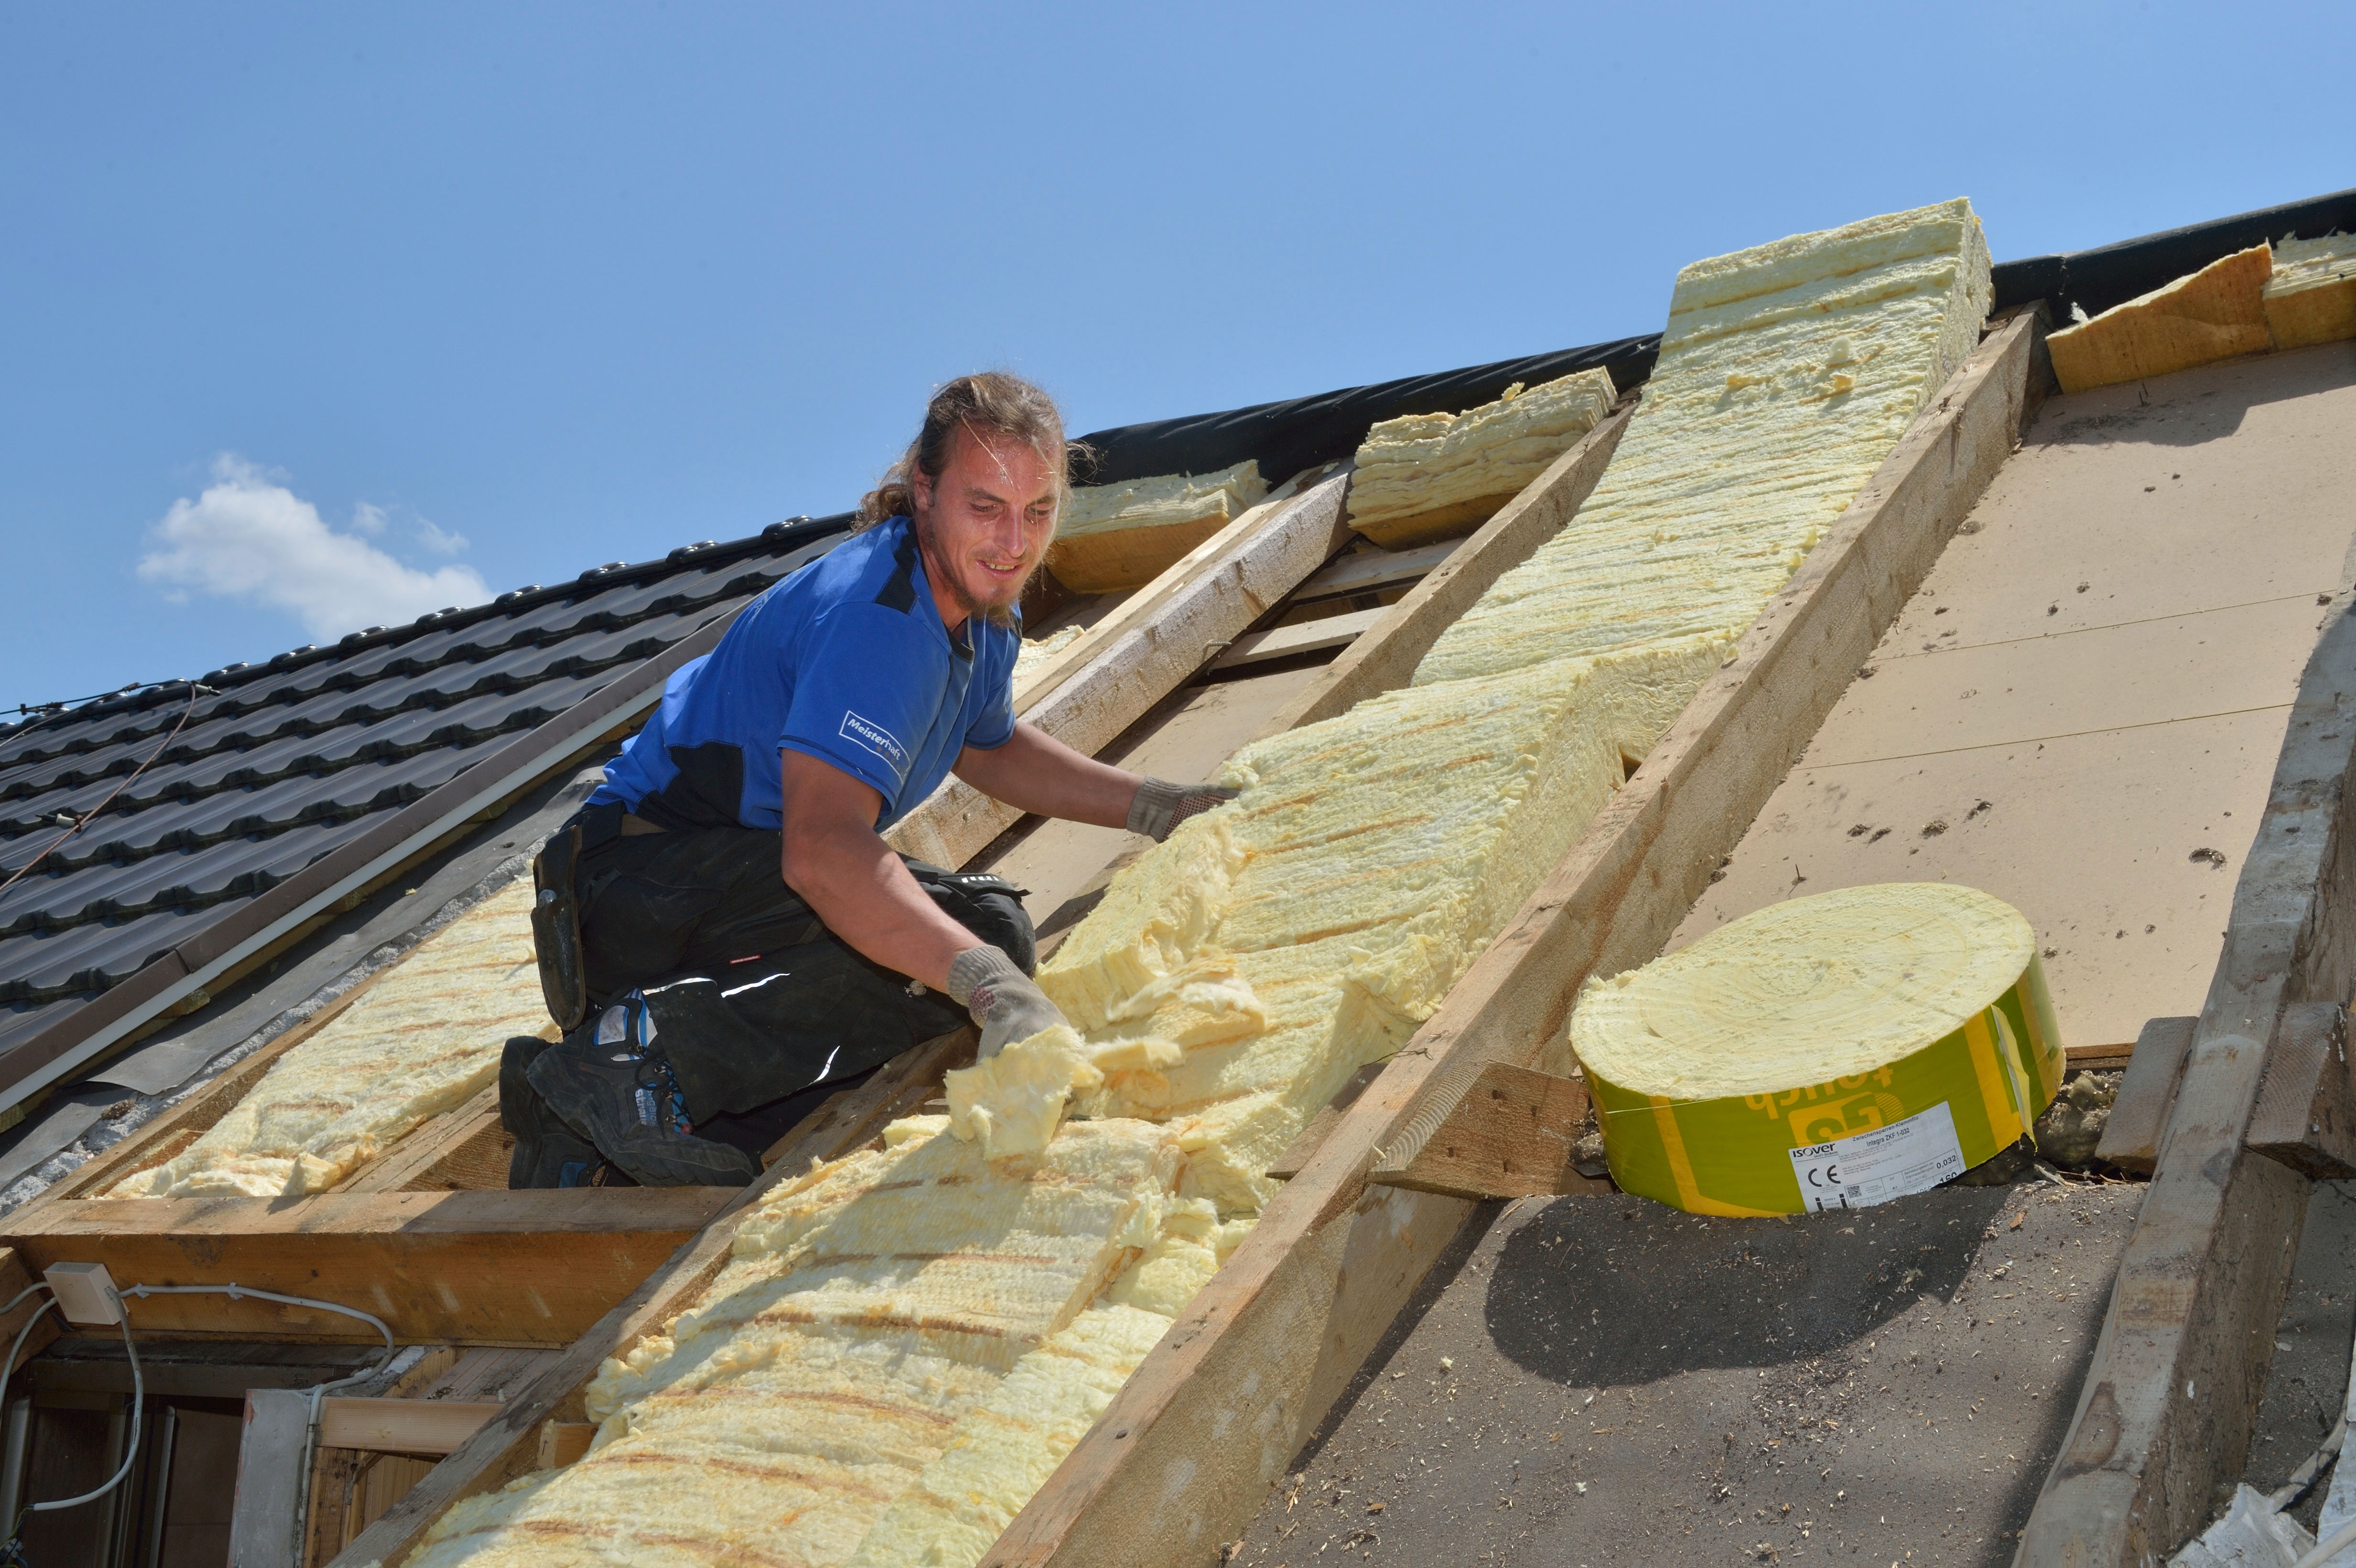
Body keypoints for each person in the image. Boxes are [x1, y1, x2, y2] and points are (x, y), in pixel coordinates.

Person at [502, 372, 1235, 1187]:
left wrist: (1157, 807)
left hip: (707, 892)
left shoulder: (982, 602)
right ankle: (634, 1056)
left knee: (954, 942)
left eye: (1039, 511)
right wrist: (993, 986)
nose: (1014, 542)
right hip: (637, 886)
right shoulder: (879, 622)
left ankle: (579, 1119)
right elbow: (819, 852)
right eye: (985, 506)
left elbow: (986, 746)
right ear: (924, 490)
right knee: (967, 941)